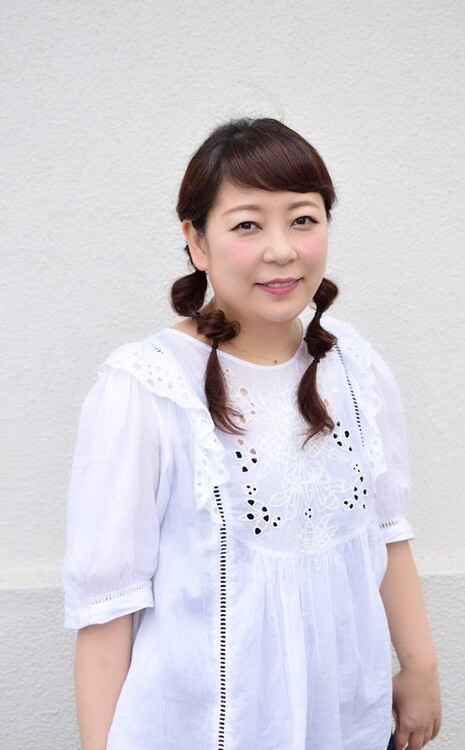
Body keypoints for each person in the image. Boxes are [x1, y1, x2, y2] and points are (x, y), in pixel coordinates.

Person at [63, 117, 441, 750]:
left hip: (348, 721)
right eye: (247, 225)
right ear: (196, 241)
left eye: (303, 219)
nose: (282, 250)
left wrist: (421, 668)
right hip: (202, 731)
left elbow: (385, 531)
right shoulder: (146, 387)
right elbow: (108, 609)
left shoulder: (354, 367)